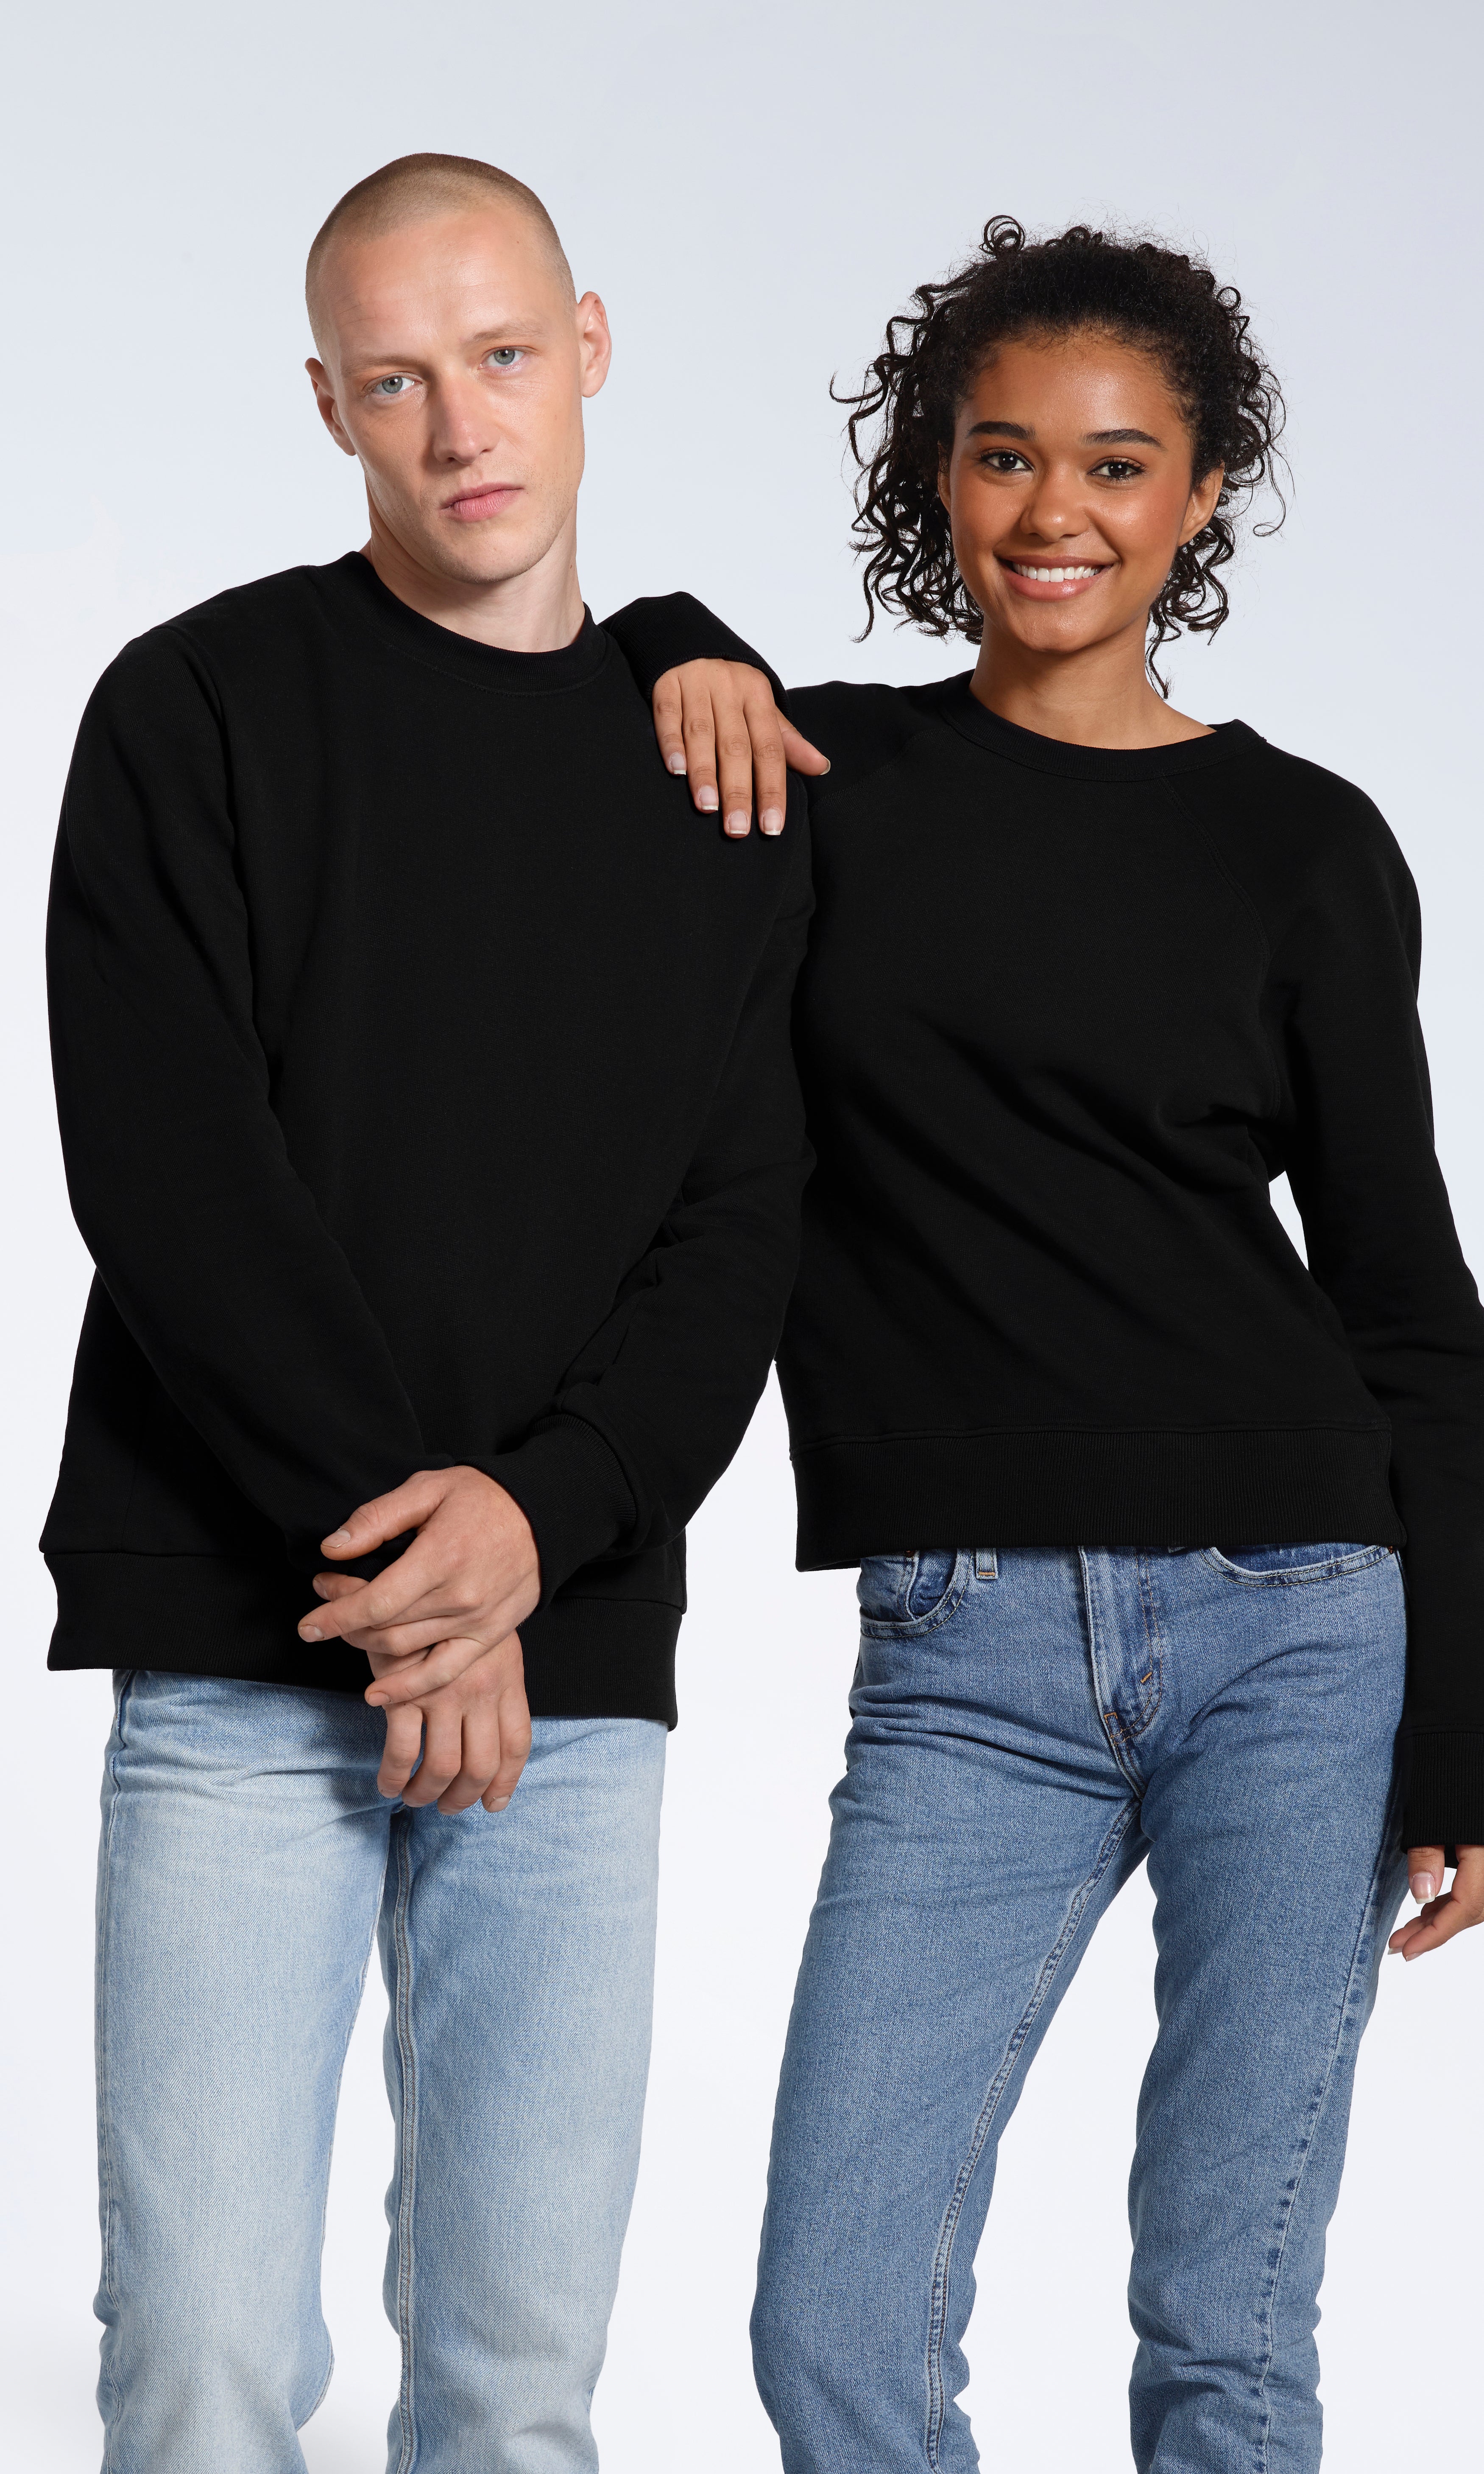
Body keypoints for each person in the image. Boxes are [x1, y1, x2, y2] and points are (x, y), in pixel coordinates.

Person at [605, 217, 1484, 2471]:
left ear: (1200, 495)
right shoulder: (826, 788)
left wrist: (1470, 1728)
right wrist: (677, 635)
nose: (1056, 516)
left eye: (1117, 465)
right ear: (937, 480)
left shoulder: (1300, 848)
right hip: (970, 1648)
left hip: (1301, 1621)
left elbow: (1408, 1305)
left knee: (1226, 2325)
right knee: (832, 2320)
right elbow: (597, 688)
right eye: (1004, 460)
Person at [43, 152, 810, 2474]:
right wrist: (426, 1588)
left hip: (570, 1681)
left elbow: (744, 1220)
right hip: (240, 1641)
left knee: (514, 2379)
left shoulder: (724, 770)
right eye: (395, 381)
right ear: (326, 403)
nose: (459, 426)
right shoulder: (192, 712)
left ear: (589, 344)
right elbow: (175, 1187)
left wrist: (540, 1533)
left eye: (498, 358)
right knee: (195, 2364)